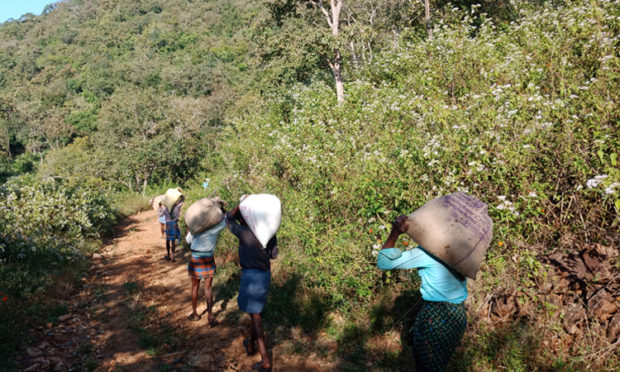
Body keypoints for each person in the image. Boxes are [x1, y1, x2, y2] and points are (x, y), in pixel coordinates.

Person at [377, 215, 468, 372]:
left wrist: (395, 233)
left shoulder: (427, 253)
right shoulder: (462, 252)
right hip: (458, 315)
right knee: (439, 365)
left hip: (436, 316)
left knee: (427, 367)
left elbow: (384, 262)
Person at [225, 202, 278, 372]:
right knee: (255, 313)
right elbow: (274, 254)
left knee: (256, 317)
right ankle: (251, 343)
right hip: (265, 275)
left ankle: (265, 361)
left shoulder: (243, 232)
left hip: (251, 277)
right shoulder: (268, 232)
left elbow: (228, 219)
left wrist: (239, 206)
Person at [187, 213, 226, 325]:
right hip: (208, 258)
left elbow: (188, 240)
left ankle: (195, 314)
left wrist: (188, 228)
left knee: (195, 287)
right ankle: (210, 316)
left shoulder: (196, 228)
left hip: (196, 258)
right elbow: (224, 221)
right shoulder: (215, 228)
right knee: (208, 288)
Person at [164, 195, 185, 262]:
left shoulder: (165, 208)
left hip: (168, 225)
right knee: (173, 241)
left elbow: (161, 214)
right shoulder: (177, 207)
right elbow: (183, 200)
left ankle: (168, 255)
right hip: (174, 224)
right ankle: (173, 255)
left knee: (167, 240)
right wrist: (181, 195)